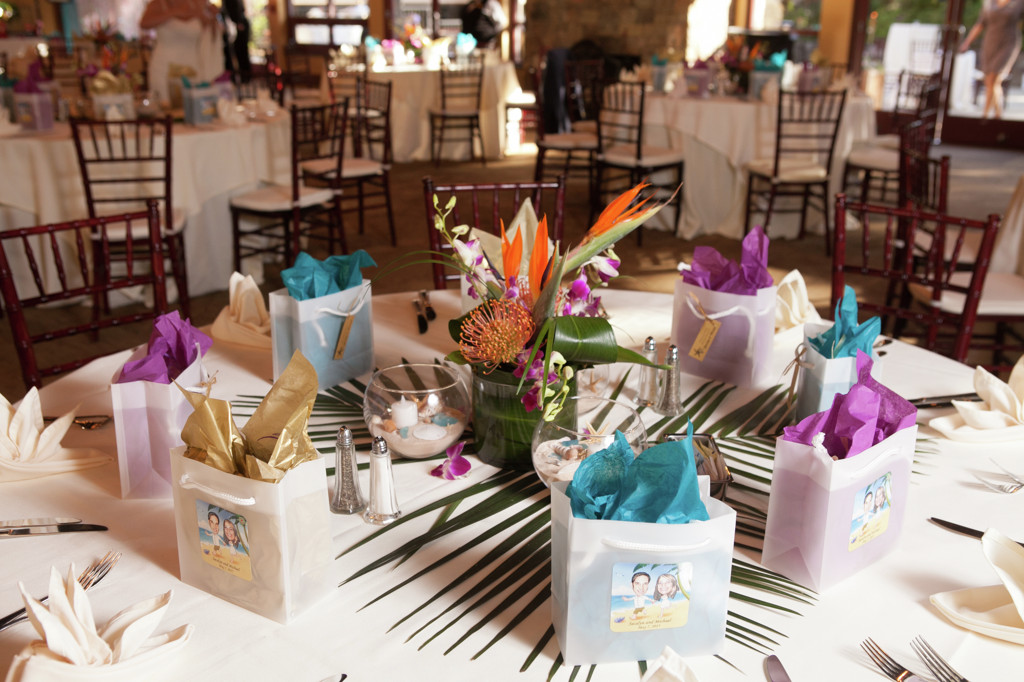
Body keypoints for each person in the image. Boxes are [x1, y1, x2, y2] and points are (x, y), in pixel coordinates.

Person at [140, 0, 224, 106]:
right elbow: (144, 24)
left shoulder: (198, 3)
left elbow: (210, 33)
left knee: (196, 107)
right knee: (165, 106)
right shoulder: (159, 3)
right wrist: (174, 12)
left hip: (193, 67)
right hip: (164, 67)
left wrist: (213, 17)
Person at [960, 0, 1024, 119]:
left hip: (1008, 43)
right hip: (990, 43)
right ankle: (998, 115)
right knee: (990, 81)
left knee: (993, 77)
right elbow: (980, 24)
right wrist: (967, 42)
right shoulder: (989, 3)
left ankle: (985, 116)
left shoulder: (1019, 2)